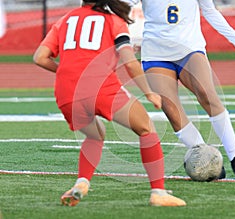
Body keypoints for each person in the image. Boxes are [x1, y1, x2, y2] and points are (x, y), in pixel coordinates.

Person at [33, 0, 186, 207]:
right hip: (100, 87)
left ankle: (81, 183)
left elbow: (39, 58)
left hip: (66, 91)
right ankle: (158, 192)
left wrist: (68, 70)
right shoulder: (113, 21)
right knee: (146, 128)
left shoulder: (65, 20)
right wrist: (149, 92)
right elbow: (130, 62)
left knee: (95, 134)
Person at [121, 0, 235, 177]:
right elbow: (121, 4)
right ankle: (206, 157)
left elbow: (210, 11)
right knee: (171, 109)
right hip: (156, 53)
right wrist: (122, 39)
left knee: (207, 94)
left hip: (190, 48)